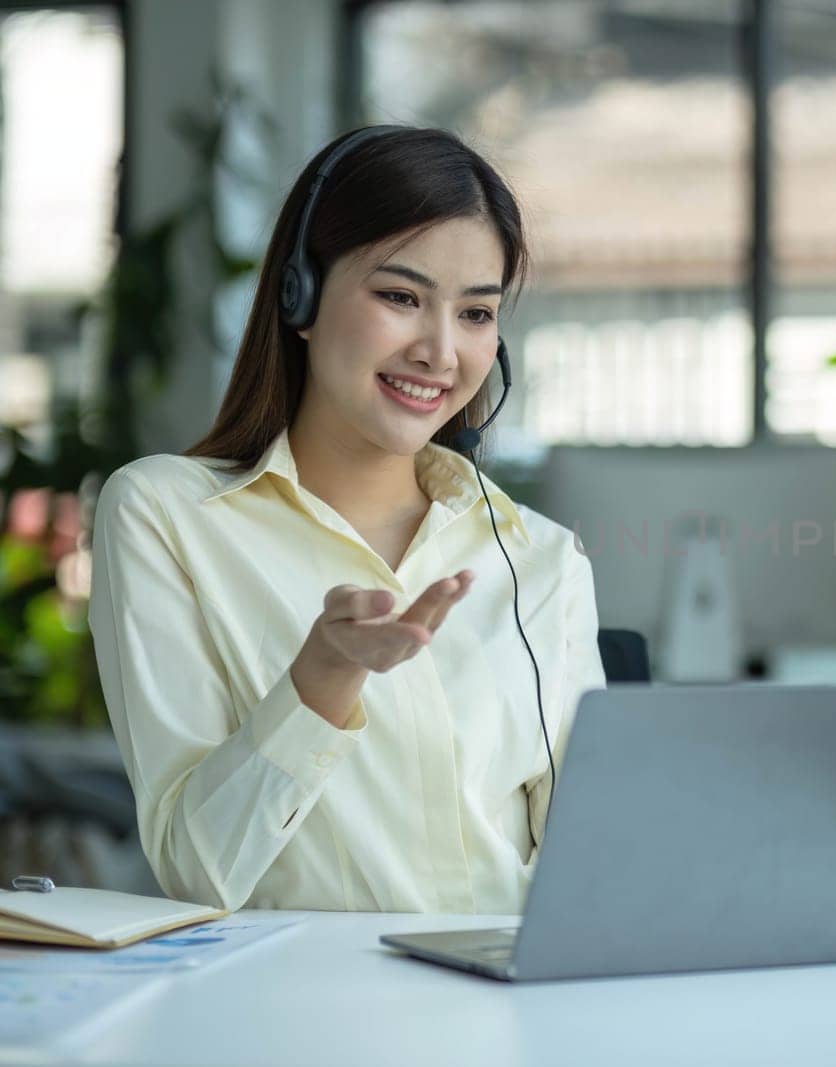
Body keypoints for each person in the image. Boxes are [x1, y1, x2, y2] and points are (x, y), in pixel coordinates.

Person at [86, 125, 607, 914]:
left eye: (475, 313)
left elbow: (597, 865)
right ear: (299, 295)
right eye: (401, 297)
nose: (439, 350)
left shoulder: (542, 556)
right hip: (299, 1024)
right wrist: (320, 681)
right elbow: (196, 873)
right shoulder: (166, 515)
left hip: (511, 1020)